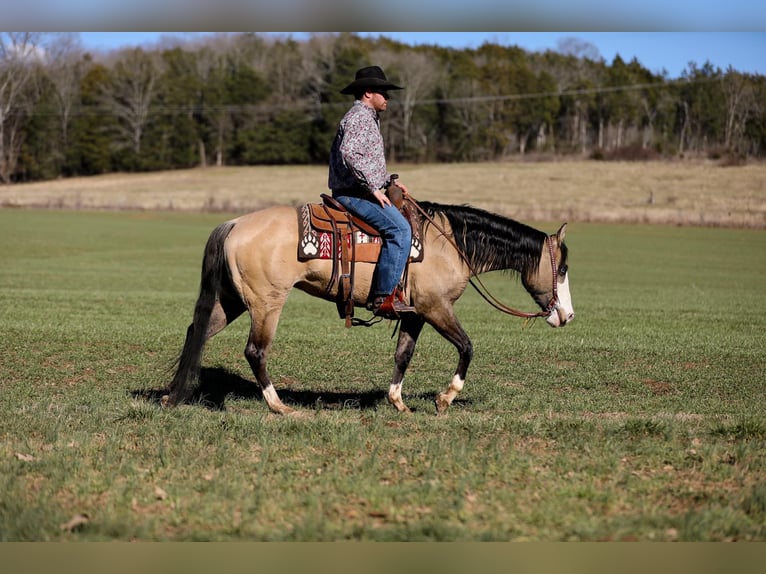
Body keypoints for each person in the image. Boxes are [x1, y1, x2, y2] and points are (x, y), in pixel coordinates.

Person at [328, 66, 416, 319]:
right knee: (400, 229)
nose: (388, 98)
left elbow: (364, 159)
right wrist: (373, 187)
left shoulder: (367, 117)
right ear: (368, 92)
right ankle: (384, 297)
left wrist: (388, 181)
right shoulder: (359, 117)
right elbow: (350, 153)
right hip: (353, 193)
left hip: (360, 189)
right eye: (383, 92)